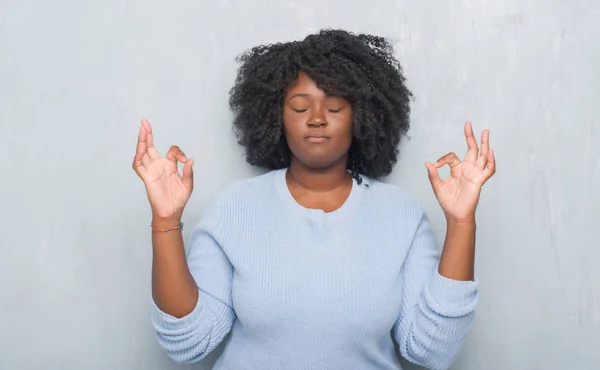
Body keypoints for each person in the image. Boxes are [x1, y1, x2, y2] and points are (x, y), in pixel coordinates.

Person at [132, 29, 496, 370]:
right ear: (276, 117)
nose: (317, 120)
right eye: (301, 108)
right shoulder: (234, 207)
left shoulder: (400, 214)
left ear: (362, 117)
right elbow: (189, 342)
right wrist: (165, 220)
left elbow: (432, 350)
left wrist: (462, 223)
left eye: (334, 108)